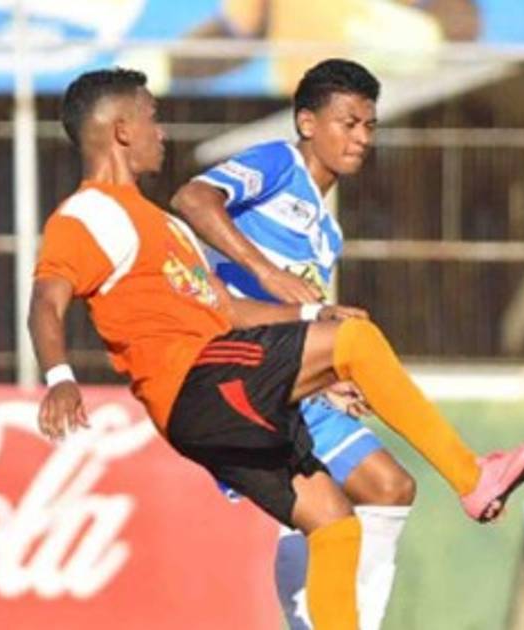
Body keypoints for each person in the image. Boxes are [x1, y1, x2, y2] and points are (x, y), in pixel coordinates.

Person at [29, 67, 524, 630]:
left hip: (213, 403)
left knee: (334, 521)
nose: (162, 131)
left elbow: (227, 310)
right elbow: (45, 300)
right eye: (152, 118)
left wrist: (311, 316)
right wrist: (59, 376)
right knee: (355, 343)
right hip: (200, 382)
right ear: (121, 130)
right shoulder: (88, 213)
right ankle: (473, 477)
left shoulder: (166, 229)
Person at [170, 58, 408, 630]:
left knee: (389, 487)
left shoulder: (329, 233)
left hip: (289, 381)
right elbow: (192, 199)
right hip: (239, 373)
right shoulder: (278, 162)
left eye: (369, 126)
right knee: (328, 511)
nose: (361, 138)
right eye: (348, 123)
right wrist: (265, 271)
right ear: (307, 122)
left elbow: (299, 322)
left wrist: (328, 379)